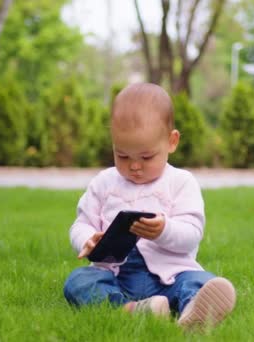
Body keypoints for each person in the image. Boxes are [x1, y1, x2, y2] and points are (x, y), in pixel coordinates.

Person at [63, 83, 236, 329]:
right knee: (78, 281)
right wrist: (87, 239)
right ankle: (130, 310)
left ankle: (193, 313)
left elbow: (191, 234)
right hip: (116, 276)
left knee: (199, 280)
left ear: (171, 141)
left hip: (170, 276)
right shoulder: (103, 182)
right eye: (122, 155)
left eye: (146, 157)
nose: (134, 166)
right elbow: (81, 223)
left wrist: (164, 230)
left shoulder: (181, 183)